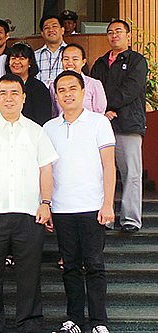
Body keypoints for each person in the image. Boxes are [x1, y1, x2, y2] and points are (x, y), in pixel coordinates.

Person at [0, 74, 59, 333]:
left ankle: (29, 323)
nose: (9, 98)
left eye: (14, 93)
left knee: (29, 274)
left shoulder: (36, 131)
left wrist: (46, 203)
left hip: (29, 213)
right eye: (3, 93)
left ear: (24, 97)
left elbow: (46, 170)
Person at [44, 71, 115, 333]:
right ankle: (73, 319)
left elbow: (109, 166)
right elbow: (46, 170)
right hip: (62, 208)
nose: (67, 94)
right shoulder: (48, 128)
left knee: (95, 265)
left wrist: (108, 203)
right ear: (56, 94)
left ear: (84, 91)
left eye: (73, 88)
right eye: (61, 90)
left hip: (93, 206)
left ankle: (99, 322)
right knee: (70, 267)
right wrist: (47, 204)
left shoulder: (98, 123)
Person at [91, 19, 148, 233]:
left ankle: (131, 219)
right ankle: (105, 217)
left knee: (131, 173)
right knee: (102, 172)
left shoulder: (137, 61)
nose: (114, 35)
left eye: (118, 31)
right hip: (103, 123)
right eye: (110, 32)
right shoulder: (100, 62)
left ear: (128, 35)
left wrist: (108, 106)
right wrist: (104, 111)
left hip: (128, 123)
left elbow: (131, 89)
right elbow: (94, 89)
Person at [49, 43, 107, 117]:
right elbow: (54, 113)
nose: (70, 63)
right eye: (66, 59)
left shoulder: (94, 84)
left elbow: (99, 113)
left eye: (75, 59)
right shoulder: (54, 86)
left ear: (83, 62)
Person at [5, 42, 52, 125]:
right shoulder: (1, 85)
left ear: (30, 62)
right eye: (13, 58)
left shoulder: (39, 88)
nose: (16, 62)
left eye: (22, 58)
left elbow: (43, 120)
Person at [35, 15, 67, 86]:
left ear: (62, 30)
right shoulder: (35, 56)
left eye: (54, 26)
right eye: (47, 28)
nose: (51, 30)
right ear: (42, 33)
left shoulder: (71, 53)